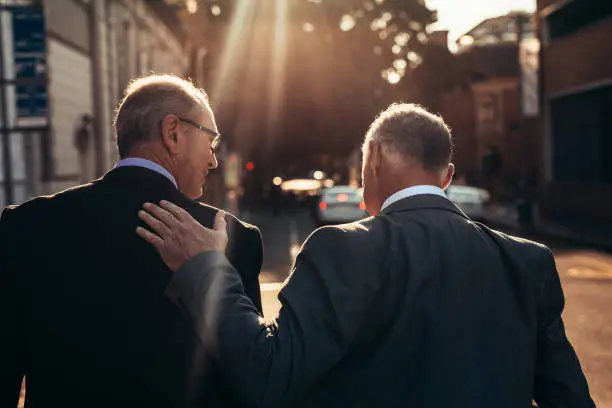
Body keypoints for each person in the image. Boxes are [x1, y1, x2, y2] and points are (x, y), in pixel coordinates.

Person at [139, 103, 595, 408]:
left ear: (372, 157)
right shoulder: (525, 260)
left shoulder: (342, 248)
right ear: (448, 174)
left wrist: (206, 269)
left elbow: (270, 375)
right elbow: (570, 399)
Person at [0, 74, 263, 408]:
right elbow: (249, 381)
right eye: (209, 142)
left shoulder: (26, 225)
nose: (213, 160)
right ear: (173, 132)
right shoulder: (231, 237)